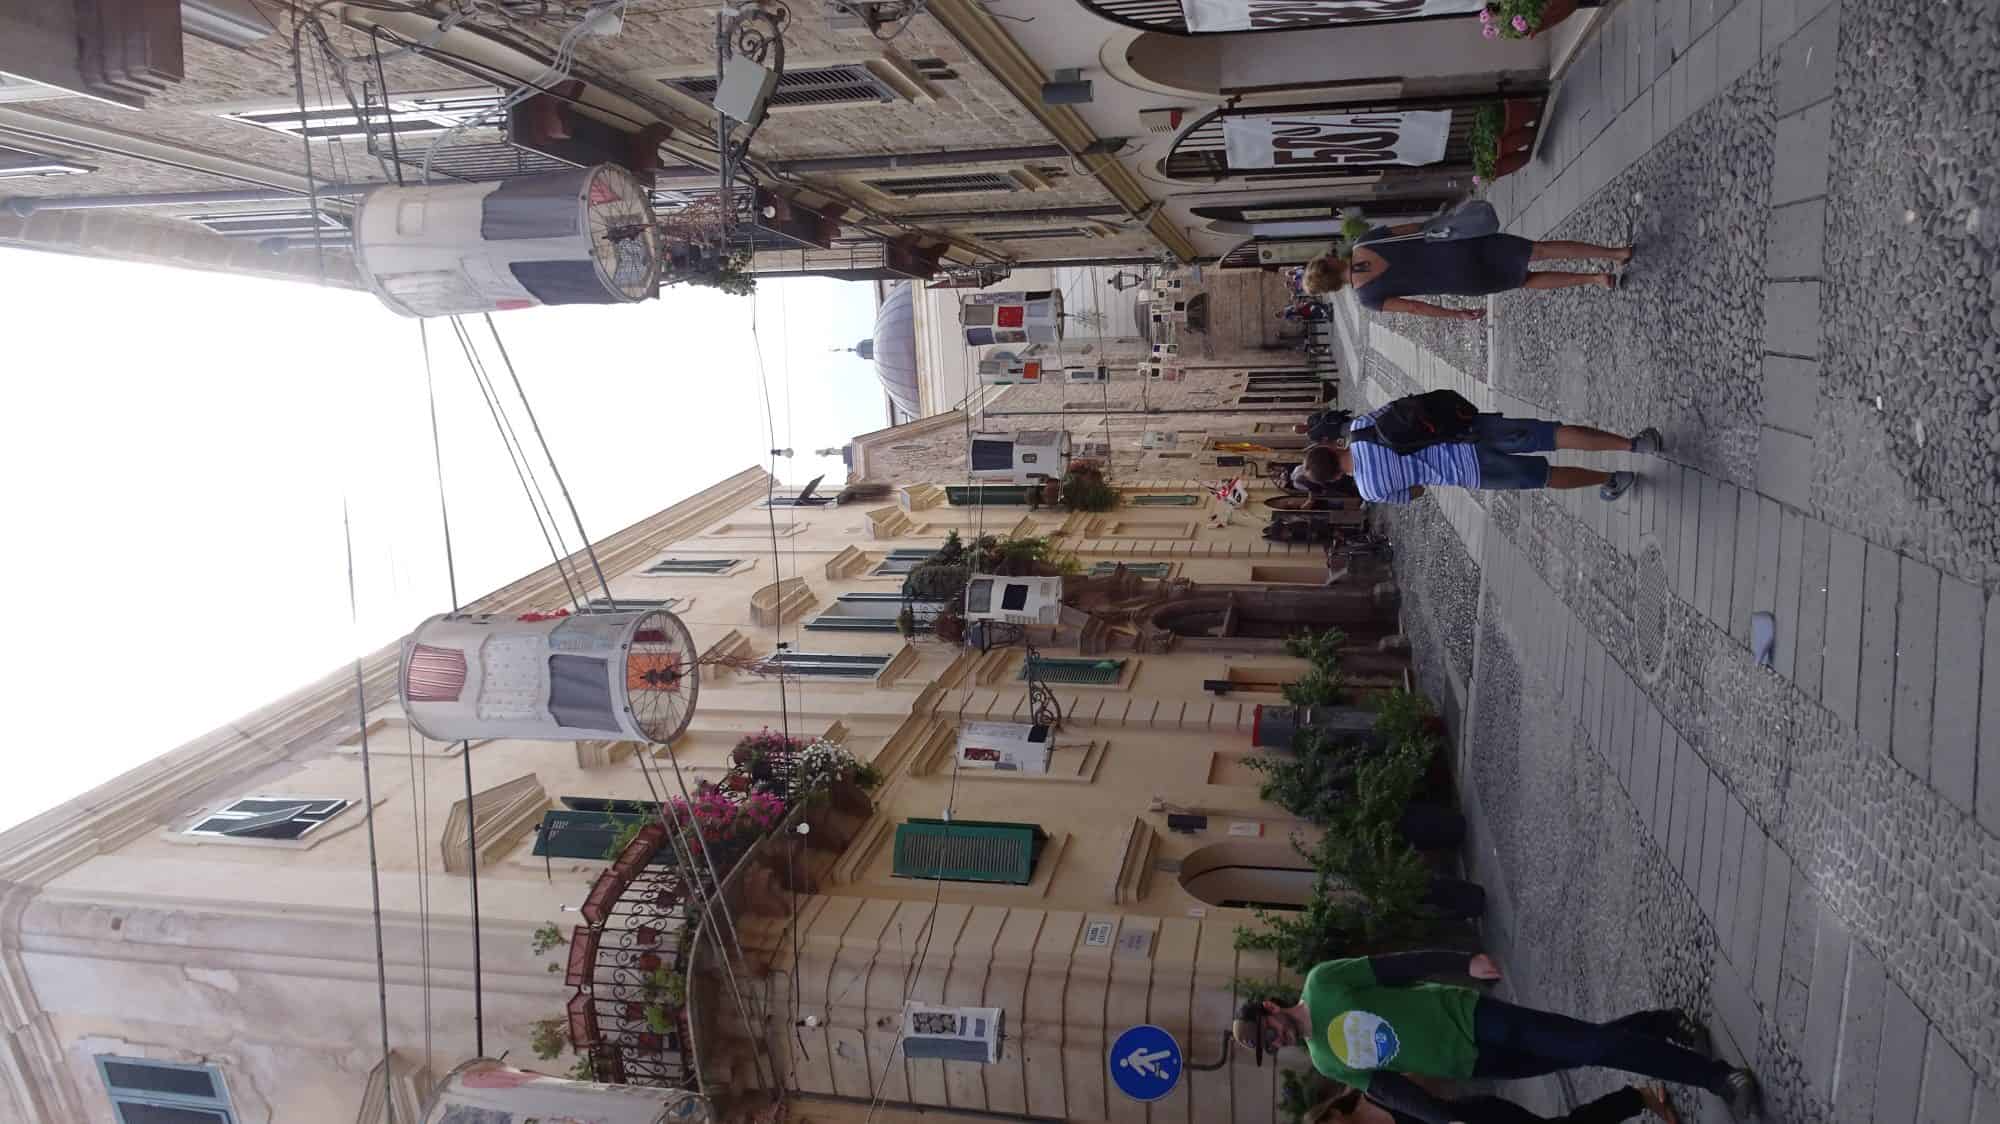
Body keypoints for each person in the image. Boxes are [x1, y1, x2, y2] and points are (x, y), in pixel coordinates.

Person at [1230, 951, 1757, 1124]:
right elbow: (1391, 1089)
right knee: (1580, 1051)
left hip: (1471, 1016)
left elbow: (1396, 967)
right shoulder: (1326, 1061)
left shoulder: (1322, 983)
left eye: (1268, 1033)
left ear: (1270, 1008)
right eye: (1268, 1047)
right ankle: (1664, 1025)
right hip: (1473, 1062)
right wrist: (1444, 1120)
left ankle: (1719, 1078)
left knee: (1590, 1047)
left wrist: (1463, 962)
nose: (1276, 1043)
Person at [1297, 408, 1663, 503]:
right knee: (1549, 434)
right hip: (1467, 432)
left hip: (1473, 472)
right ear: (1331, 446)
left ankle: (1611, 479)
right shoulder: (1360, 427)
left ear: (1335, 478)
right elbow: (1404, 412)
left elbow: (1416, 492)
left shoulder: (1370, 491)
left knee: (1546, 477)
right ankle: (1633, 445)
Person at [1301, 226, 1632, 318]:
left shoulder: (1368, 299)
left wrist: (1456, 314)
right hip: (1459, 248)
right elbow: (1418, 228)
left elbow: (1415, 307)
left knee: (1525, 280)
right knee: (1538, 250)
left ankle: (1594, 279)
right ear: (1330, 264)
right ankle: (1614, 253)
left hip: (1461, 280)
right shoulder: (1366, 241)